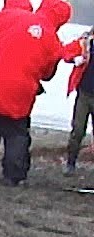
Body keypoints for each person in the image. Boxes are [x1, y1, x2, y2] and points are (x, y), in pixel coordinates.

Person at [0, 0, 72, 186]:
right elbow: (48, 74)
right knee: (16, 134)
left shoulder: (12, 16)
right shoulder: (53, 41)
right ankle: (14, 175)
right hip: (21, 92)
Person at [62, 29, 94, 175]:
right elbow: (65, 52)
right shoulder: (85, 42)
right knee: (78, 130)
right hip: (84, 94)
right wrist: (75, 59)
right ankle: (70, 163)